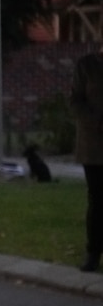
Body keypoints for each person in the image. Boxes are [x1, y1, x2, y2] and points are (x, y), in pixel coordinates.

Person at [70, 44, 103, 272]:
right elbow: (76, 102)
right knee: (98, 200)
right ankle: (94, 252)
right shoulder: (87, 66)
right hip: (94, 146)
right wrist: (97, 121)